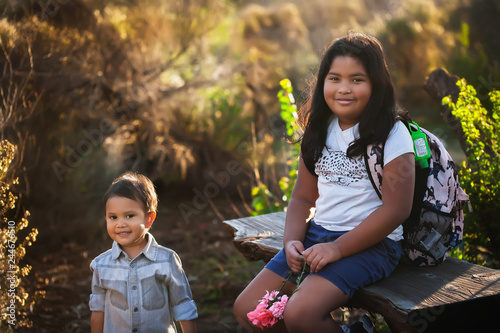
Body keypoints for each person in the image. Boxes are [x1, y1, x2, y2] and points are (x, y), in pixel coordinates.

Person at [233, 32, 415, 332]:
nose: (344, 89)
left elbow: (396, 210)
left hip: (373, 245)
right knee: (249, 309)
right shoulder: (319, 129)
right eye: (335, 78)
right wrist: (292, 240)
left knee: (300, 313)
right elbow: (303, 199)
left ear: (376, 84)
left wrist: (338, 249)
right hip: (318, 237)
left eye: (357, 79)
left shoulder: (393, 134)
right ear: (323, 83)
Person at [89, 171, 197, 333]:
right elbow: (98, 310)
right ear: (105, 218)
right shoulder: (101, 265)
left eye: (129, 216)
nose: (120, 224)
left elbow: (183, 306)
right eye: (113, 217)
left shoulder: (167, 261)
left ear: (149, 219)